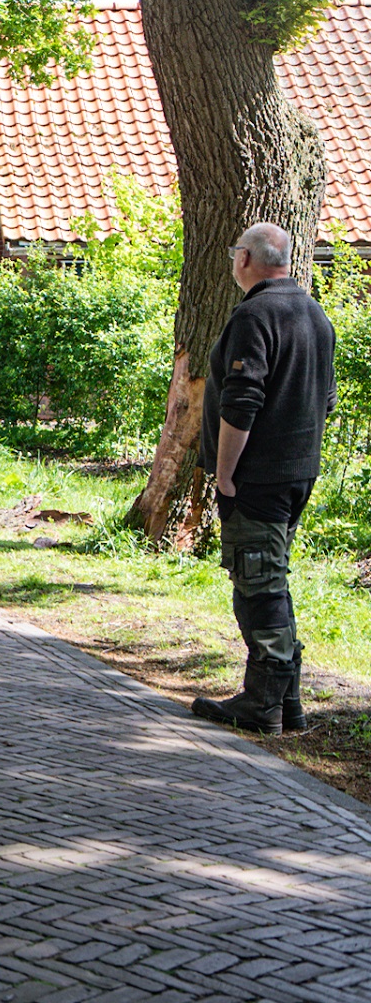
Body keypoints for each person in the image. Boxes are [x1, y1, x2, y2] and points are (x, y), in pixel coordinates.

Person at [191, 223, 336, 736]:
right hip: (299, 472)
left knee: (256, 581)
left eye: (236, 252)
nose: (234, 259)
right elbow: (327, 400)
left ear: (247, 258)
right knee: (270, 575)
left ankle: (262, 701)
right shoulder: (313, 314)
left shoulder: (255, 314)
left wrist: (226, 474)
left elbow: (242, 400)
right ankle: (287, 700)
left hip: (258, 476)